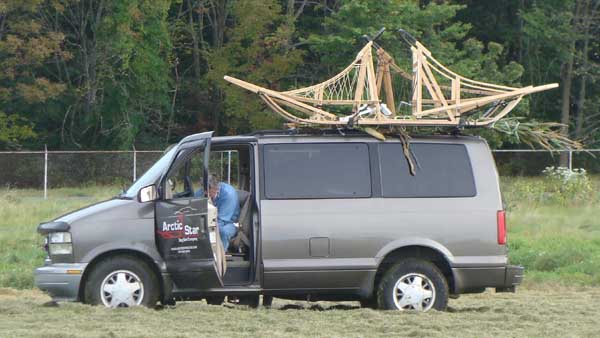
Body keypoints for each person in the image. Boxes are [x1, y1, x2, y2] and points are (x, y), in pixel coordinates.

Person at [197, 174, 239, 252]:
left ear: (215, 188)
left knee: (223, 232)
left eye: (208, 192)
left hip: (229, 222)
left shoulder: (228, 194)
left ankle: (219, 256)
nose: (205, 194)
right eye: (203, 190)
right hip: (211, 220)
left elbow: (220, 221)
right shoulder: (202, 191)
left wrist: (206, 230)